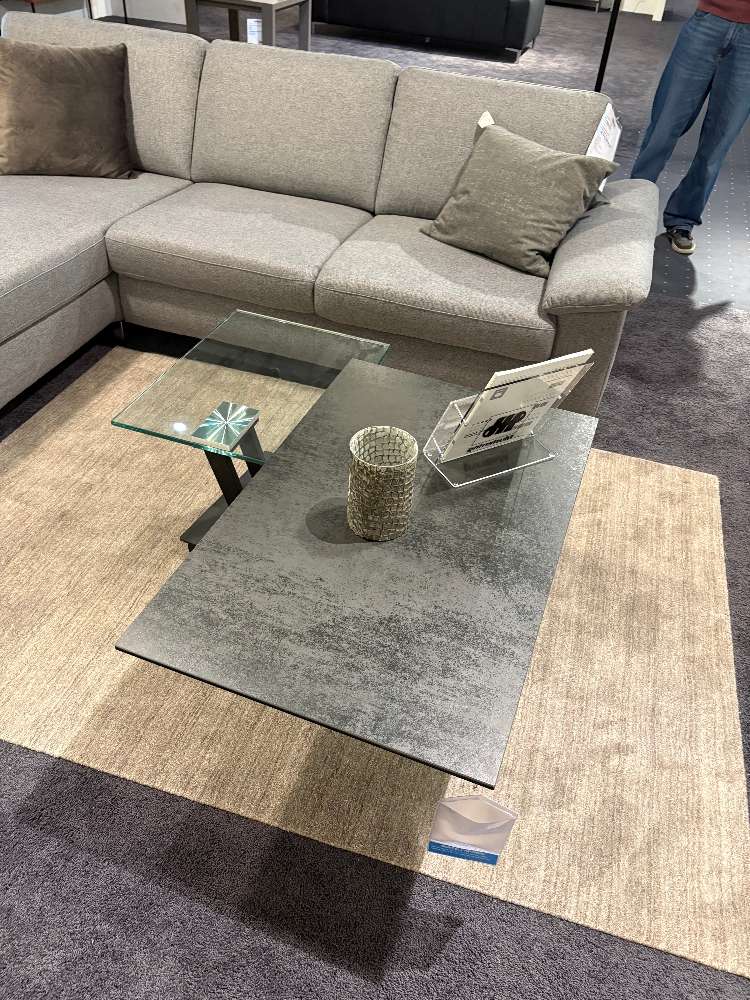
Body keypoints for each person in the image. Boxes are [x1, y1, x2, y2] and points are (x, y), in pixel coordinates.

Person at [631, 1, 750, 255]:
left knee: (718, 142)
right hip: (709, 20)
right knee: (665, 124)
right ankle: (633, 204)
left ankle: (682, 219)